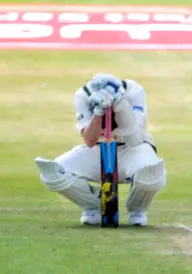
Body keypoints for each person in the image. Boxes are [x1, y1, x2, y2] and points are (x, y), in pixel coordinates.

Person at [34, 73, 166, 226]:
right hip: (97, 150)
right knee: (53, 174)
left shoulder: (133, 90)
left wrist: (119, 104)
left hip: (133, 149)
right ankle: (93, 205)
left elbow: (134, 138)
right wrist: (98, 112)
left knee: (151, 174)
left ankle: (137, 210)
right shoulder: (83, 94)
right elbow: (90, 140)